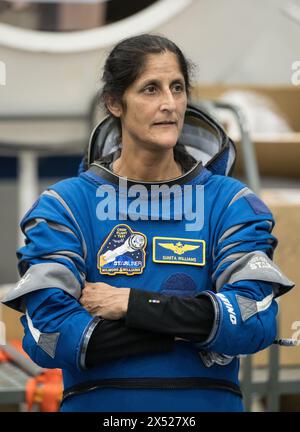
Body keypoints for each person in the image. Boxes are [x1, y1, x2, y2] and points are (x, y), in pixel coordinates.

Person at [2, 34, 294, 412]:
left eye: (177, 88)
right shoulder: (66, 205)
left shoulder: (230, 202)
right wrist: (194, 323)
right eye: (150, 89)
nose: (169, 104)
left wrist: (131, 304)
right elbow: (48, 334)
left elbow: (255, 320)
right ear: (114, 102)